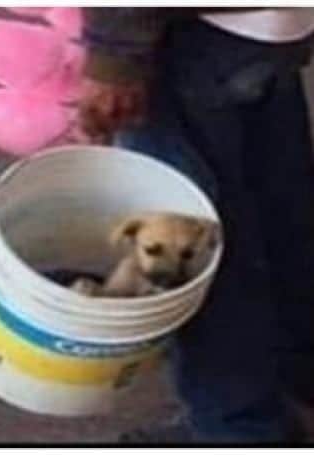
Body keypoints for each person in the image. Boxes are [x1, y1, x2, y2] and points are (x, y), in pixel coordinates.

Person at [79, 8, 314, 443]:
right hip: (269, 26)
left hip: (189, 36)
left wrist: (115, 56)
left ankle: (235, 427)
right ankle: (297, 370)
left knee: (199, 247)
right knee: (279, 213)